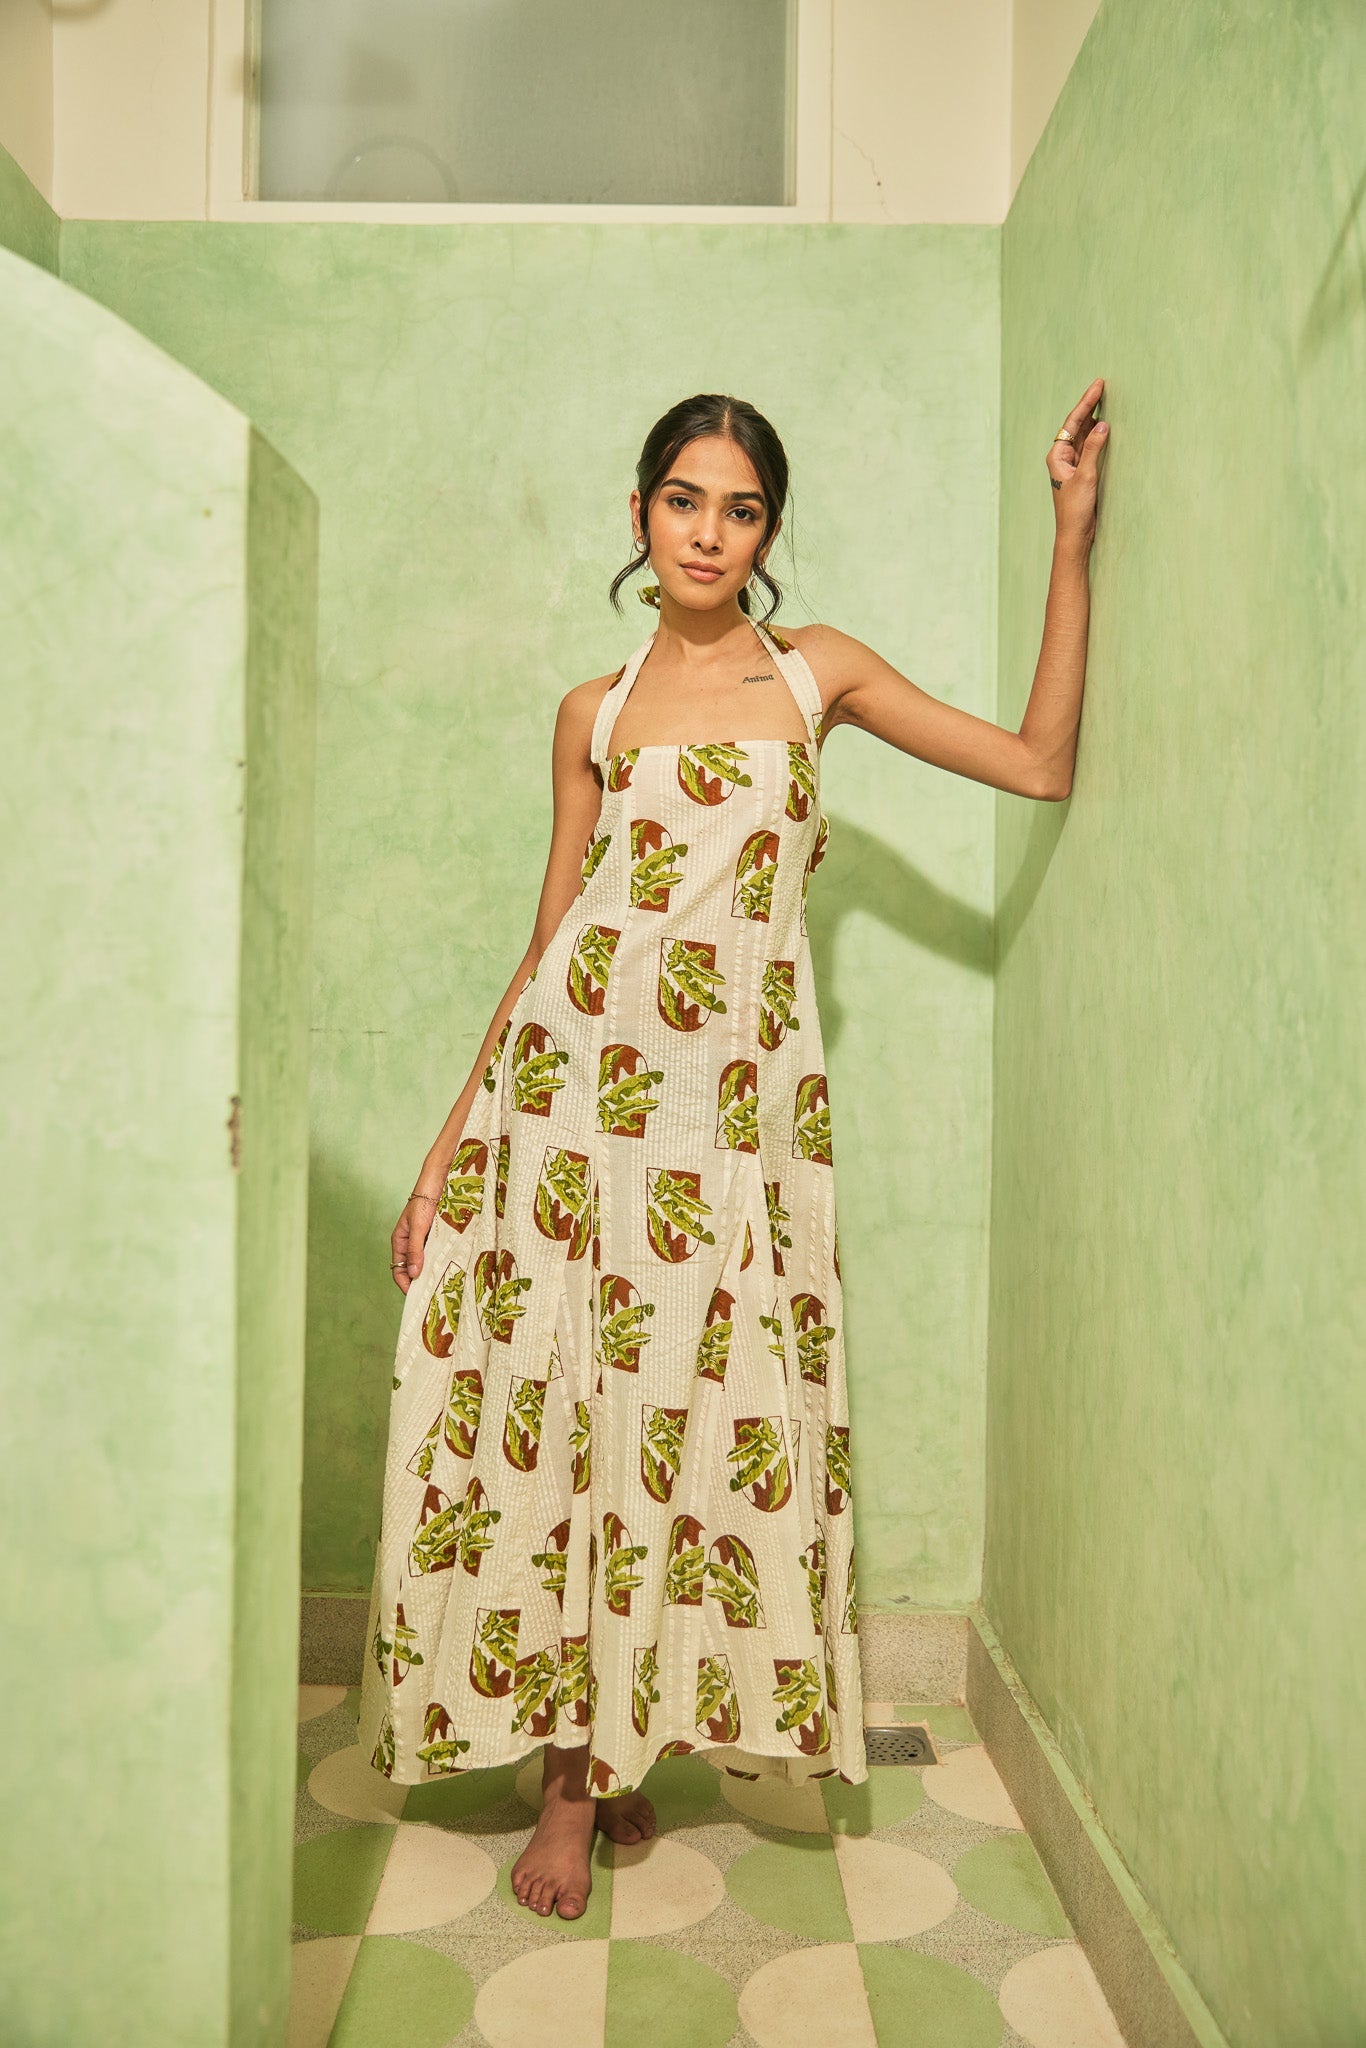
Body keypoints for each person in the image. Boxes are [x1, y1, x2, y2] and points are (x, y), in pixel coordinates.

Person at [357, 384, 1106, 1920]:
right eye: (683, 499)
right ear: (639, 513)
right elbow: (552, 938)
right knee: (571, 1430)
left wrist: (1069, 532)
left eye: (741, 508)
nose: (708, 533)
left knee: (689, 1427)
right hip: (569, 1120)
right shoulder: (592, 709)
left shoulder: (817, 675)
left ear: (768, 532)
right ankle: (567, 1783)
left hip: (731, 1136)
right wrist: (444, 1156)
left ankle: (625, 1739)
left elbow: (1037, 764)